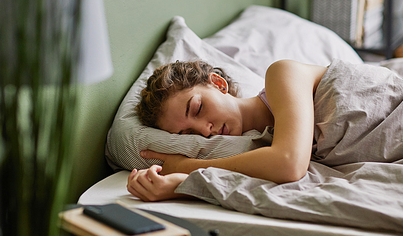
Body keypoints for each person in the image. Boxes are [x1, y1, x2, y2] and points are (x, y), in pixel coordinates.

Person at [127, 59, 328, 202]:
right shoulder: (265, 148)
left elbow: (288, 163)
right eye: (188, 134)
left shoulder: (282, 73)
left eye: (198, 109)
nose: (205, 132)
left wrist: (185, 167)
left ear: (217, 83)